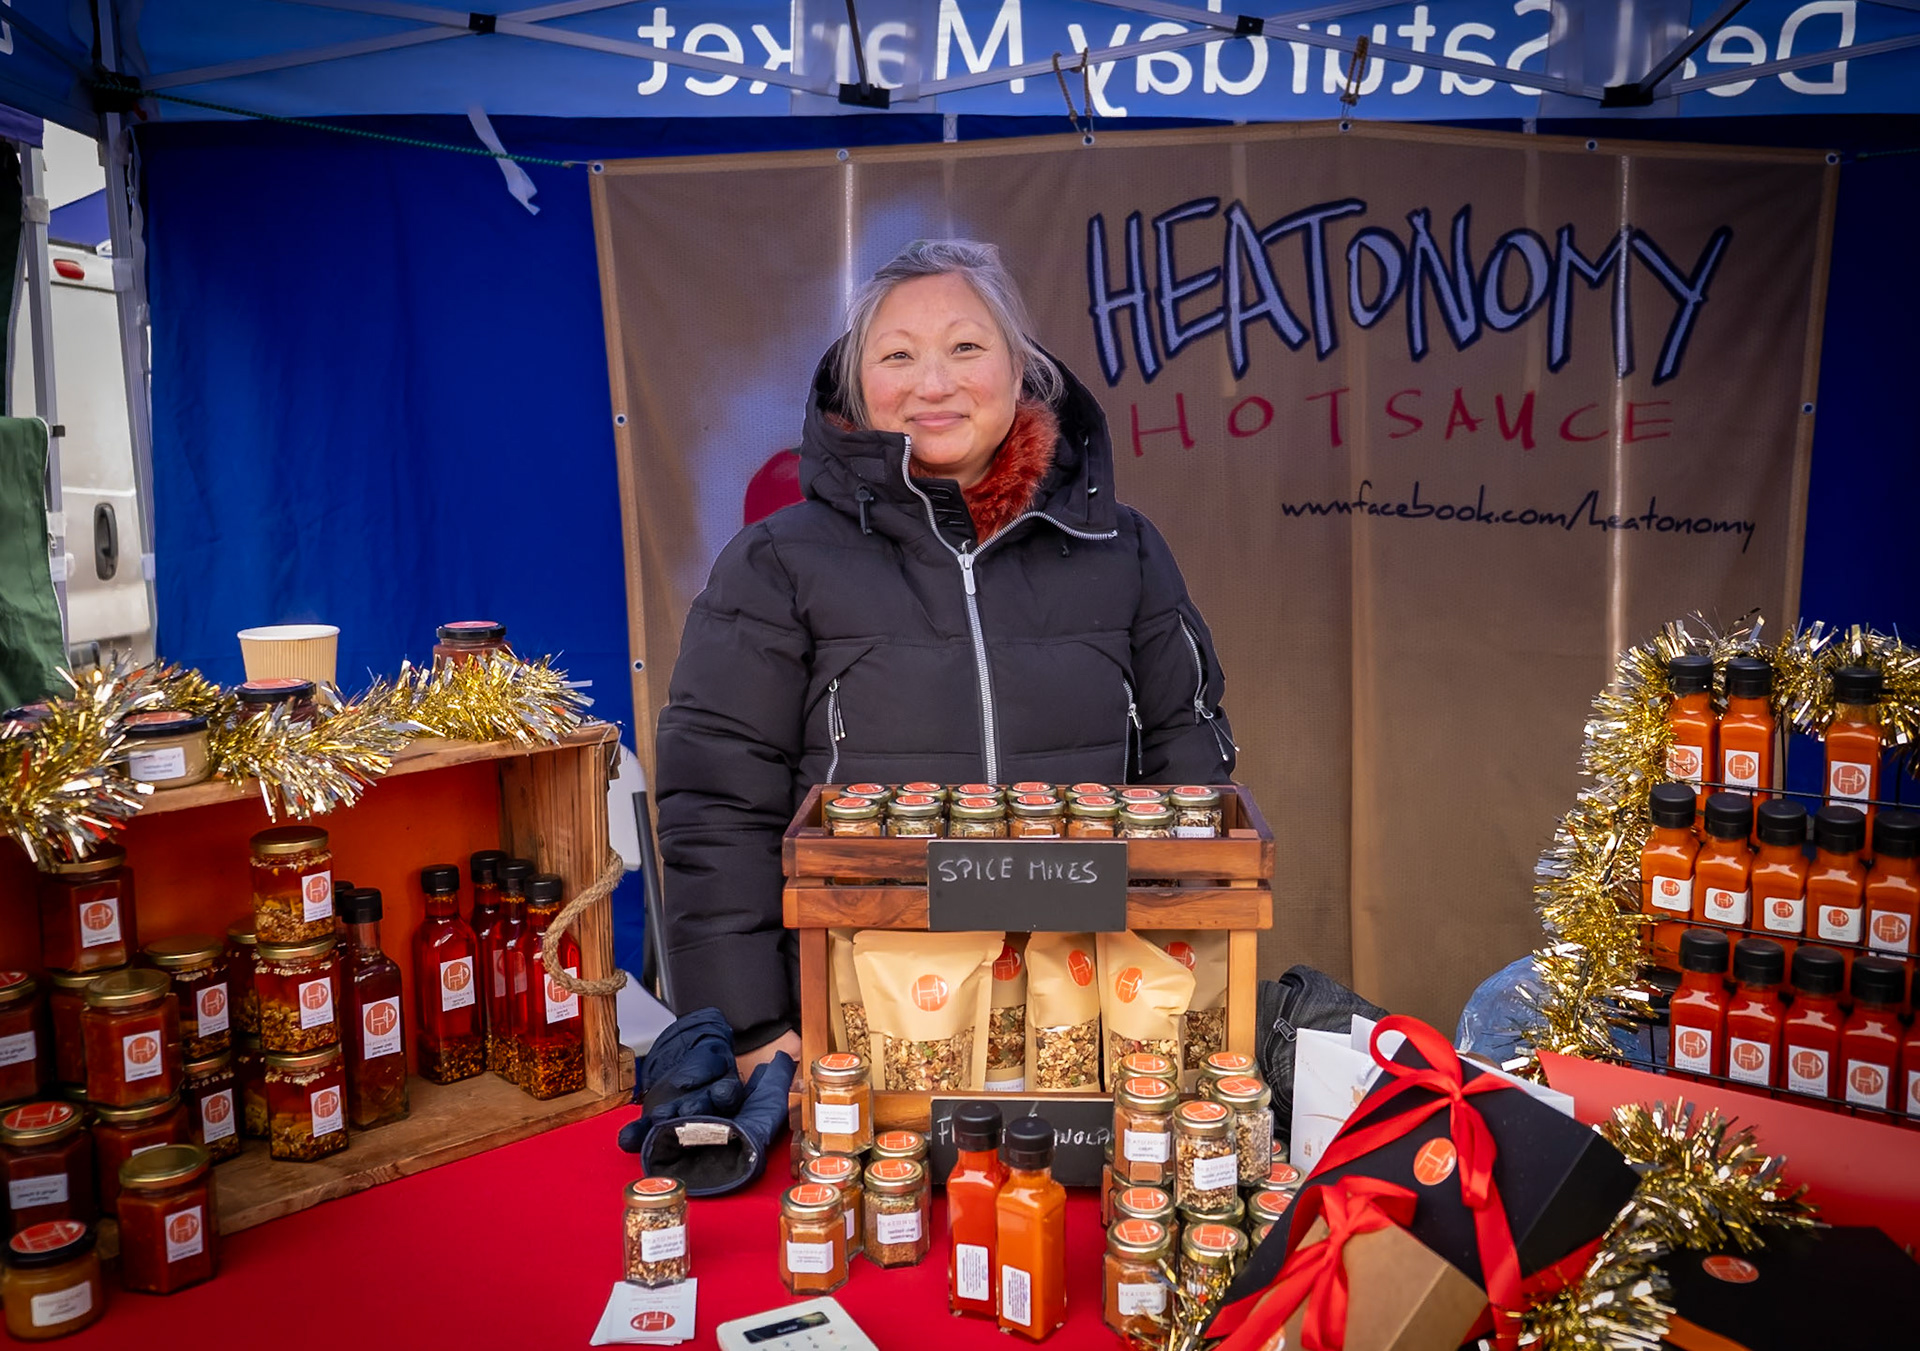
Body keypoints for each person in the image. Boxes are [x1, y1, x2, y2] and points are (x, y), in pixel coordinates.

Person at [655, 239, 1236, 1077]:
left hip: (1087, 1011)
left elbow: (1189, 763)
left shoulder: (1124, 550)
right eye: (898, 356)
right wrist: (747, 1025)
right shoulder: (777, 563)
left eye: (966, 346)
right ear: (857, 386)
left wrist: (1171, 969)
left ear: (1021, 369)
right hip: (859, 1019)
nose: (934, 383)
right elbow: (717, 806)